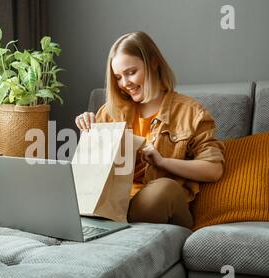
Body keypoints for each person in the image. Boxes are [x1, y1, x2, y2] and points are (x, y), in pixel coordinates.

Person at [75, 31, 225, 229]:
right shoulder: (111, 111)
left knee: (165, 189)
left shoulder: (191, 113)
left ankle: (119, 227)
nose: (124, 83)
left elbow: (213, 169)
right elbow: (91, 173)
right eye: (118, 77)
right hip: (111, 206)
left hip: (158, 207)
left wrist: (163, 162)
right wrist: (89, 130)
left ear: (153, 62)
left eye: (131, 72)